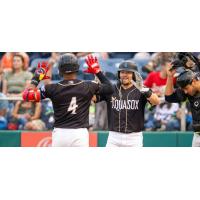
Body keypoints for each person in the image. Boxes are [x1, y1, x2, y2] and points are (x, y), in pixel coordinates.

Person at [22, 53, 113, 147]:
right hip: (79, 134)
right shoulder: (89, 86)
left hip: (60, 134)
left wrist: (36, 78)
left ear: (60, 70)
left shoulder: (51, 88)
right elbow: (110, 88)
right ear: (77, 68)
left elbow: (26, 95)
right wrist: (97, 71)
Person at [98, 61, 160, 147]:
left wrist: (144, 89)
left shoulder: (141, 89)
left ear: (134, 75)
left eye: (128, 72)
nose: (124, 75)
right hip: (114, 137)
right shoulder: (112, 89)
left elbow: (156, 101)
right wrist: (95, 84)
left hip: (134, 138)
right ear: (119, 74)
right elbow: (94, 99)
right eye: (122, 72)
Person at [165, 68, 200, 147]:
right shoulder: (189, 92)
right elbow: (169, 97)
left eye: (186, 88)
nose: (185, 91)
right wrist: (170, 77)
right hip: (197, 136)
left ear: (194, 81)